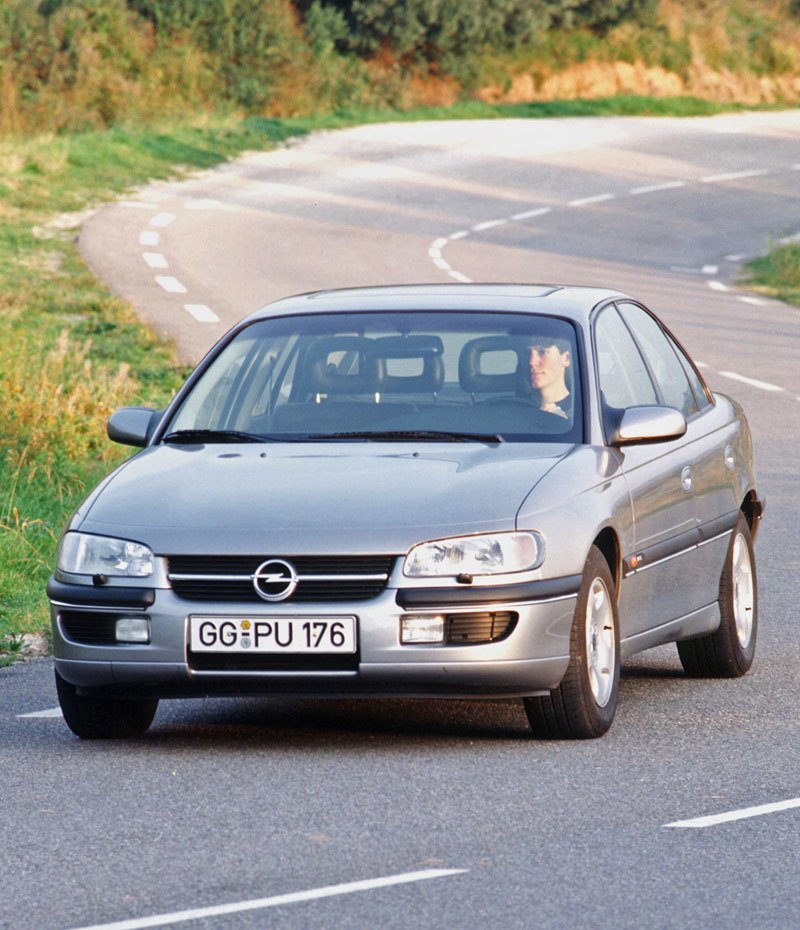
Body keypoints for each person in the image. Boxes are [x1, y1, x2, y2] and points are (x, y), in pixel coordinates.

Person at [529, 337, 571, 418]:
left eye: (543, 352)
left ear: (566, 358)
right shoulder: (514, 407)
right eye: (527, 353)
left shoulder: (584, 411)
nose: (531, 361)